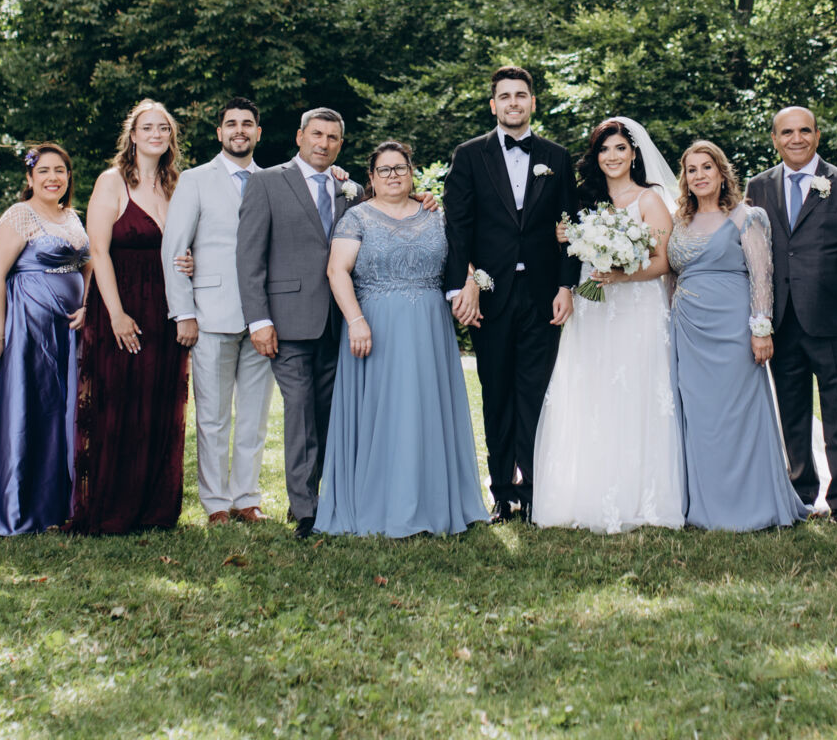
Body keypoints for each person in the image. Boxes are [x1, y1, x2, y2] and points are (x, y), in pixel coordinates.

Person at [318, 142, 487, 537]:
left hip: (429, 328)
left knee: (426, 411)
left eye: (400, 168)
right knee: (386, 413)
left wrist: (472, 284)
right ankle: (382, 503)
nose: (393, 176)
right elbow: (336, 271)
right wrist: (356, 321)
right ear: (372, 177)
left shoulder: (435, 215)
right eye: (384, 169)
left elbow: (461, 261)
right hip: (375, 328)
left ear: (412, 172)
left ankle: (434, 501)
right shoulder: (356, 218)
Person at [440, 67, 581, 524]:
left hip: (543, 295)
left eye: (521, 95)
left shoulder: (557, 157)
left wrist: (566, 286)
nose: (513, 103)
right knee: (497, 393)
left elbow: (571, 227)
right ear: (493, 105)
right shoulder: (469, 155)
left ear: (533, 103)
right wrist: (462, 288)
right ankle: (502, 492)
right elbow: (457, 227)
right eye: (505, 96)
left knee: (536, 394)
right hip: (490, 294)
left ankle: (536, 492)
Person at [533, 118, 685, 534]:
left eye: (620, 148)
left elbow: (663, 261)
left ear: (634, 154)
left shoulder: (649, 199)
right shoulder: (584, 199)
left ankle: (641, 495)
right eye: (604, 149)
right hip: (593, 305)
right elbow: (568, 246)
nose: (612, 156)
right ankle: (587, 491)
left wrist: (621, 275)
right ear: (595, 155)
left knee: (635, 389)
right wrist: (563, 236)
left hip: (637, 307)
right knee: (593, 390)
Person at [667, 141, 806, 532]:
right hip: (689, 330)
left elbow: (762, 275)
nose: (699, 176)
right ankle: (705, 504)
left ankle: (751, 504)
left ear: (721, 172)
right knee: (699, 416)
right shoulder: (679, 222)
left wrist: (761, 329)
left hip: (732, 329)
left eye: (706, 167)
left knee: (737, 414)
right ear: (685, 178)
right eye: (691, 170)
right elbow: (671, 276)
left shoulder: (747, 216)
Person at [744, 107, 837, 521]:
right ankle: (801, 493)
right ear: (775, 139)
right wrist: (760, 318)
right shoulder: (758, 186)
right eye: (786, 132)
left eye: (804, 131)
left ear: (817, 135)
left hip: (833, 322)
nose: (795, 139)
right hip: (782, 322)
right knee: (792, 414)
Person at [71, 99, 189, 533]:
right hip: (121, 303)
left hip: (166, 306)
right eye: (148, 127)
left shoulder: (176, 185)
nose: (156, 134)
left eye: (164, 128)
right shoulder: (112, 181)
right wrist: (116, 314)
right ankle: (112, 506)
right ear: (133, 135)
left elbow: (183, 244)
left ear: (171, 137)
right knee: (119, 403)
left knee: (159, 403)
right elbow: (98, 251)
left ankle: (154, 508)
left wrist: (190, 260)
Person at [0, 143, 88, 535]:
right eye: (43, 171)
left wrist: (88, 304)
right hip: (28, 327)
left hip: (68, 329)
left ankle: (59, 503)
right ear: (30, 178)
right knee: (29, 408)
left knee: (62, 411)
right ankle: (15, 506)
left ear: (68, 176)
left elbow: (89, 263)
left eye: (60, 170)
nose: (53, 178)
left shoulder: (72, 217)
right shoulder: (19, 214)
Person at [238, 107, 356, 539]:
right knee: (301, 410)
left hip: (336, 321)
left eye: (332, 137)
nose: (323, 143)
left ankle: (316, 496)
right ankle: (306, 511)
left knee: (327, 414)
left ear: (340, 144)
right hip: (286, 322)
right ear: (300, 137)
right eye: (316, 134)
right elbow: (249, 257)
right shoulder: (266, 182)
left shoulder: (349, 190)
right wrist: (258, 320)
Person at [162, 99, 275, 525]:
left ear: (258, 132)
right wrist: (184, 312)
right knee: (212, 417)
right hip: (210, 314)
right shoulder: (194, 180)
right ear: (220, 132)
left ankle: (247, 497)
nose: (239, 130)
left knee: (254, 416)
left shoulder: (273, 180)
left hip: (263, 317)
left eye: (247, 124)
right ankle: (215, 504)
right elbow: (175, 250)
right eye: (231, 124)